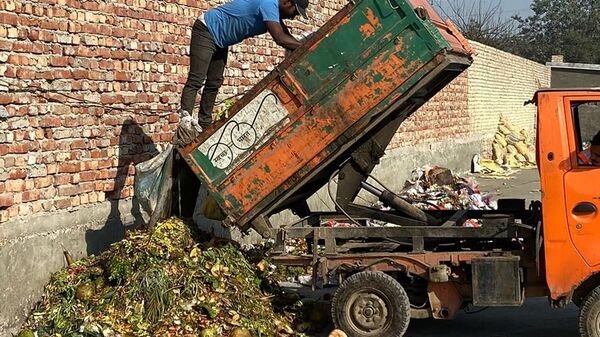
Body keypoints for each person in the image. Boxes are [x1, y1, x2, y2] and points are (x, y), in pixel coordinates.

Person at [179, 0, 309, 130]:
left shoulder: (273, 11)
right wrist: (307, 47)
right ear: (287, 2)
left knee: (214, 81)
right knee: (197, 78)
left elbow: (287, 36)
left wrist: (301, 46)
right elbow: (280, 38)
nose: (293, 17)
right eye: (295, 12)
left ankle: (204, 124)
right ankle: (185, 121)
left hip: (220, 40)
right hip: (206, 29)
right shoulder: (268, 5)